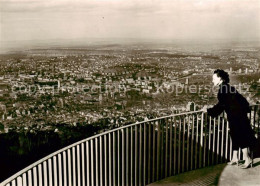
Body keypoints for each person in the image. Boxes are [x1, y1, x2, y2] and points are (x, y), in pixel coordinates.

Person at [202, 69, 256, 169]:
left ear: (220, 79)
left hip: (235, 116)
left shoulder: (222, 90)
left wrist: (208, 111)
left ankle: (247, 158)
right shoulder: (229, 88)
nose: (212, 80)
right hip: (238, 115)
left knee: (239, 136)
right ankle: (235, 158)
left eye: (214, 78)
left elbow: (220, 106)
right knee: (235, 135)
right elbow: (243, 101)